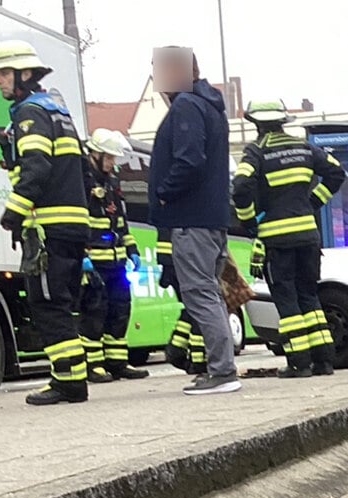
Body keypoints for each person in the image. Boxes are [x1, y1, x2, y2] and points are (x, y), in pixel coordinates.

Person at [0, 40, 90, 405]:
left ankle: (68, 383)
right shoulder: (57, 111)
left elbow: (37, 166)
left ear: (25, 74)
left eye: (4, 73)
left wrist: (13, 210)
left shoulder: (29, 113)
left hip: (49, 225)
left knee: (47, 302)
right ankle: (72, 379)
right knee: (60, 301)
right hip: (71, 223)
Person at [148, 47, 240, 395]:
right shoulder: (210, 108)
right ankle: (222, 368)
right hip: (212, 219)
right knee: (209, 294)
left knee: (199, 294)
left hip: (191, 219)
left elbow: (189, 161)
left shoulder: (187, 106)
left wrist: (163, 193)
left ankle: (222, 372)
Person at [232, 99, 345, 377]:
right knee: (309, 296)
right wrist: (312, 202)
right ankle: (324, 361)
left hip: (277, 240)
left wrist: (248, 221)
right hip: (308, 236)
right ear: (283, 122)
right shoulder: (305, 148)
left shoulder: (256, 152)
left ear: (256, 124)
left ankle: (299, 363)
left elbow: (241, 187)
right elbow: (336, 172)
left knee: (287, 300)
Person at [78, 128, 150, 383]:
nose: (112, 163)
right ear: (95, 154)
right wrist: (83, 255)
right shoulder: (82, 181)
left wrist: (132, 249)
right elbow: (79, 221)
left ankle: (117, 362)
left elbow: (120, 221)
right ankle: (93, 365)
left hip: (117, 261)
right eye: (108, 157)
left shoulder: (111, 183)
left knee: (120, 310)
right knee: (95, 312)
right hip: (94, 262)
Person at [157, 227, 209, 375]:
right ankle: (197, 361)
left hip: (181, 260)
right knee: (199, 308)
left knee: (192, 309)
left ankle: (178, 349)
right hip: (186, 260)